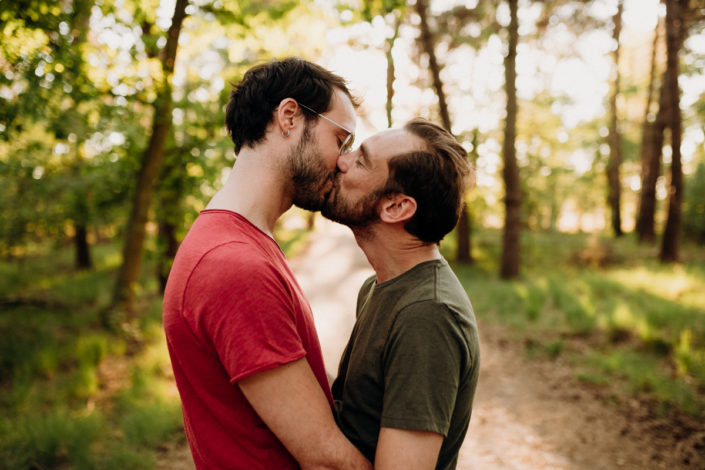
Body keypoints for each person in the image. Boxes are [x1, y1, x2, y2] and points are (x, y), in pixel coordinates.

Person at [162, 58, 371, 470]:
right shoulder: (234, 265)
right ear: (289, 117)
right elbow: (327, 460)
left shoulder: (243, 241)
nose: (344, 161)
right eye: (340, 139)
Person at [321, 118, 481, 470]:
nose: (341, 161)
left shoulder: (428, 314)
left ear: (395, 207)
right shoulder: (379, 286)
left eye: (360, 160)